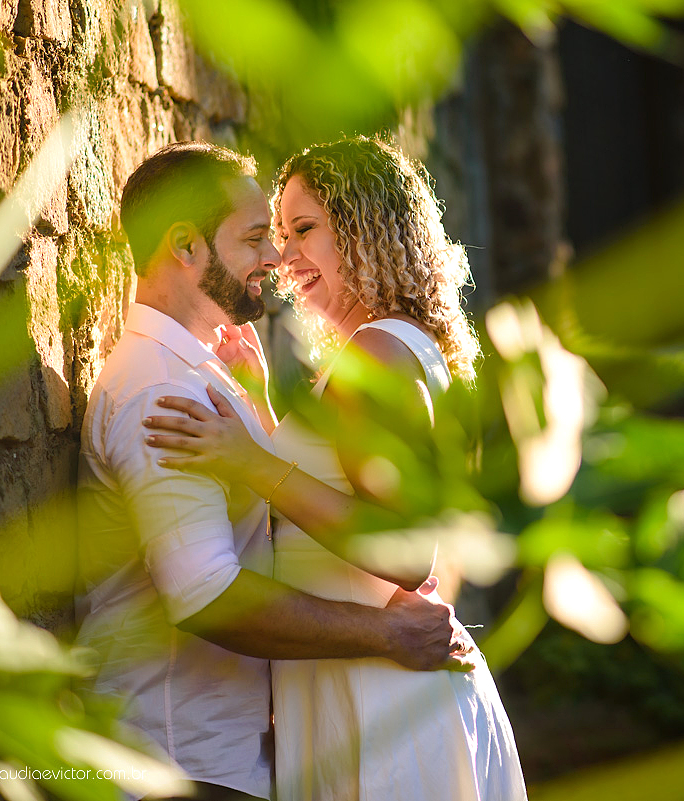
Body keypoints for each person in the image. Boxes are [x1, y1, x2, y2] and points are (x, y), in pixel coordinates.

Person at [75, 141, 472, 801]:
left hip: (238, 754)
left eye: (293, 232)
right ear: (185, 246)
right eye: (261, 236)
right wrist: (385, 631)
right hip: (180, 760)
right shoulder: (161, 390)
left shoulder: (209, 379)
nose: (277, 258)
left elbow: (304, 520)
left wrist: (255, 420)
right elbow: (206, 595)